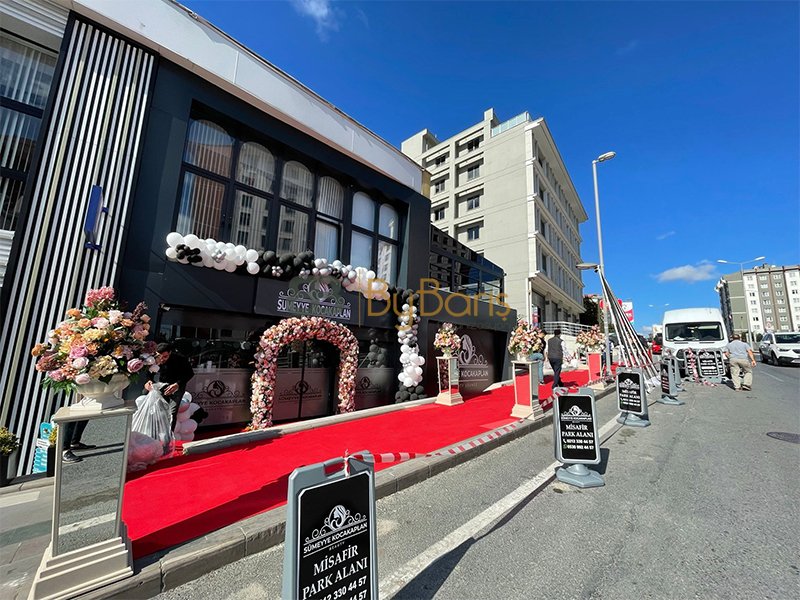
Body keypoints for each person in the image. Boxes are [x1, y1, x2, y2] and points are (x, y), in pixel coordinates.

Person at [145, 343, 195, 430]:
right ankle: (155, 432)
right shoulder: (153, 359)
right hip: (160, 386)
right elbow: (149, 372)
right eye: (160, 356)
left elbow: (190, 373)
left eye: (165, 356)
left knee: (172, 413)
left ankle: (169, 435)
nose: (162, 359)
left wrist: (177, 384)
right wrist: (149, 380)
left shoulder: (180, 359)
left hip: (176, 387)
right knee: (156, 411)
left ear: (170, 353)